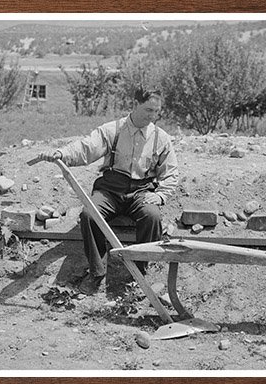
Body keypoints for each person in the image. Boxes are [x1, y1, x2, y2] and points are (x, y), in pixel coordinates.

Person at [38, 90, 178, 292]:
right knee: (89, 214)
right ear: (135, 104)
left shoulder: (161, 138)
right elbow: (87, 147)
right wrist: (62, 153)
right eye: (148, 110)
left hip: (141, 190)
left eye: (156, 111)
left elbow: (171, 172)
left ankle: (139, 273)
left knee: (152, 216)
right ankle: (97, 272)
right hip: (111, 189)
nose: (151, 116)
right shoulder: (113, 130)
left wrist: (160, 195)